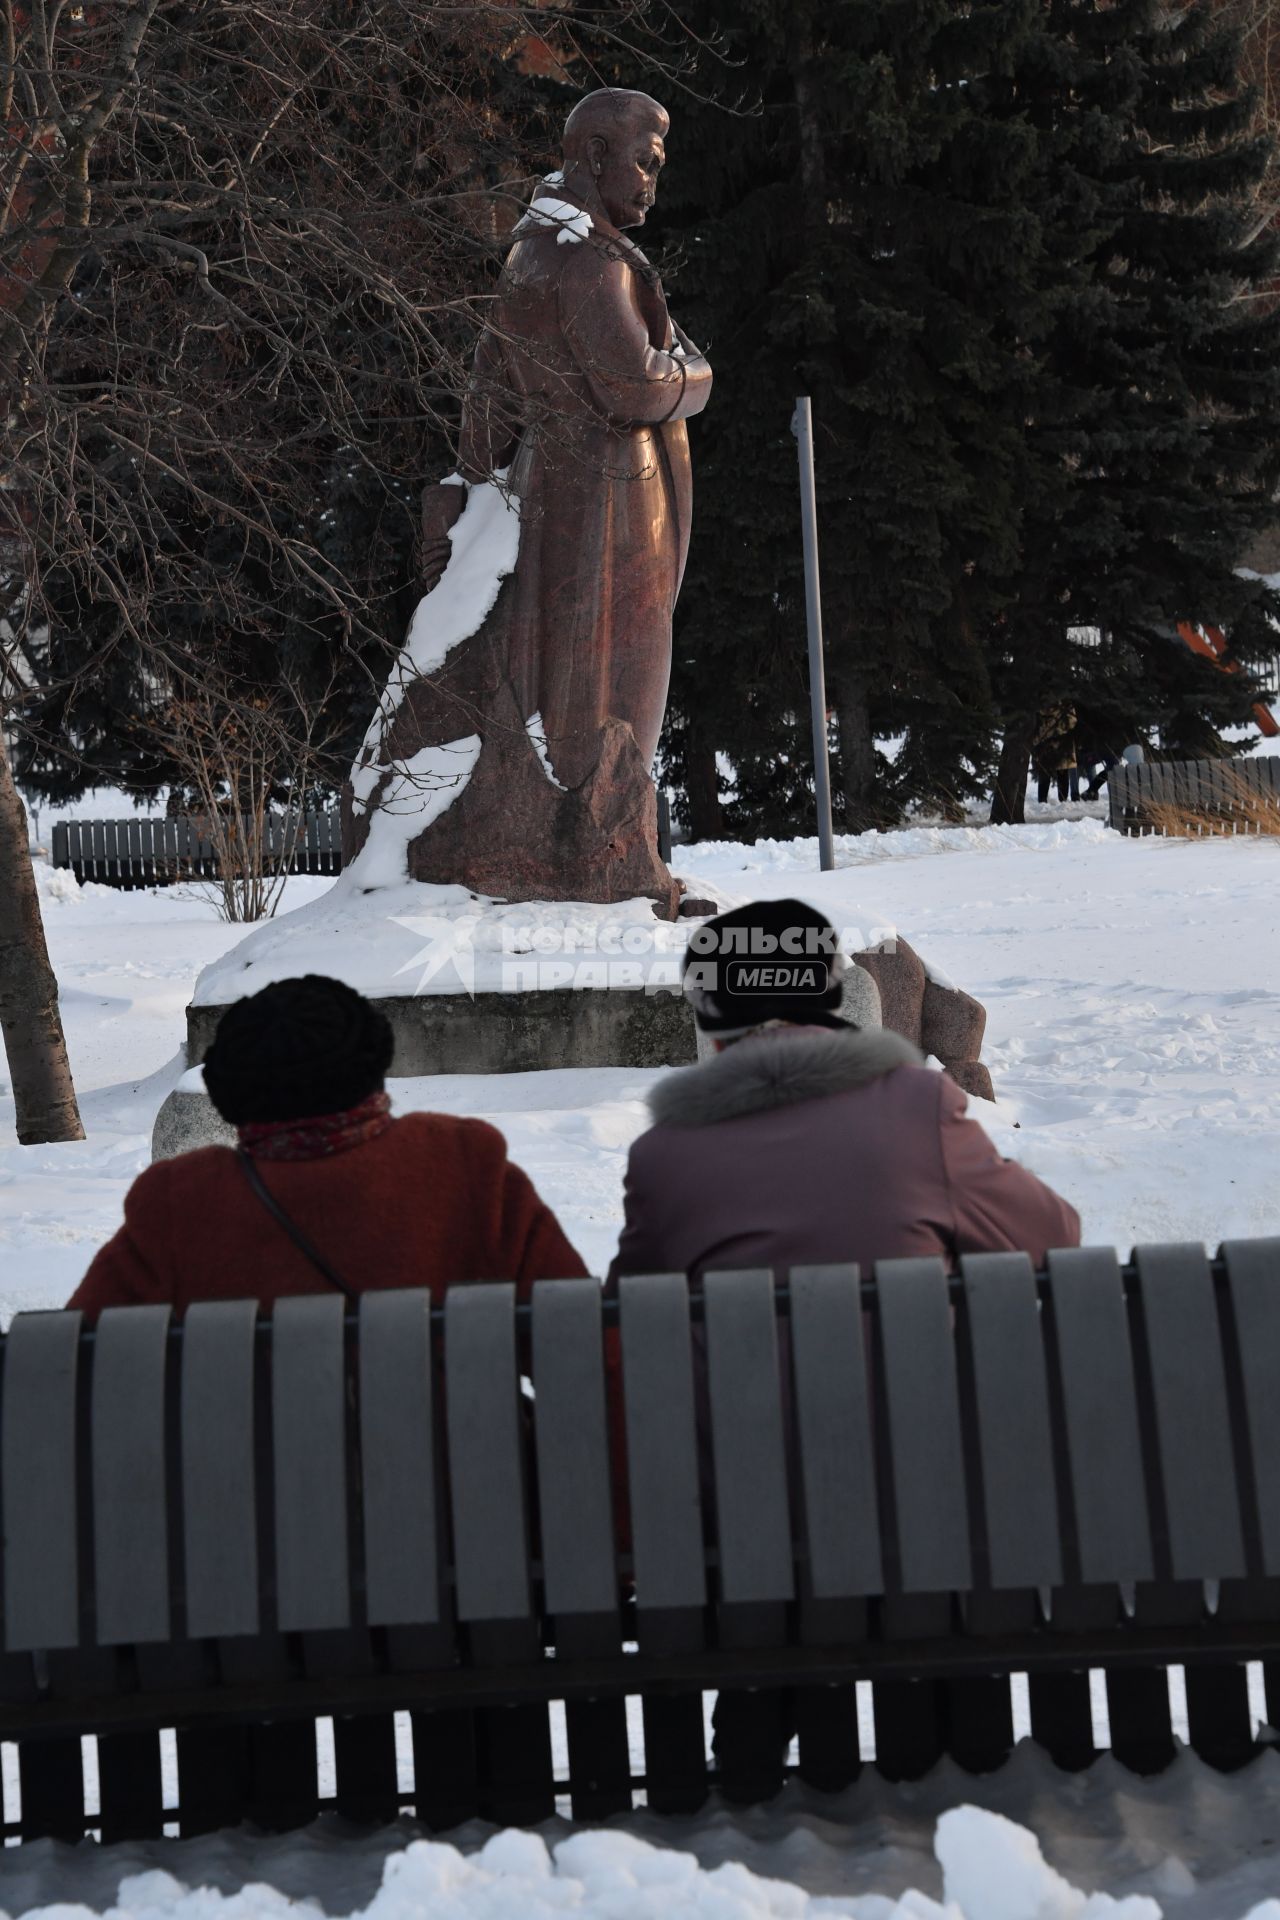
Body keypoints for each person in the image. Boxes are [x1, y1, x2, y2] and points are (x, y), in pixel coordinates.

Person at [610, 900, 1081, 1288]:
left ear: (712, 1036)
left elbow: (629, 1320)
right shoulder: (918, 1110)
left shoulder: (665, 1156)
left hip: (741, 1400)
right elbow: (1052, 1236)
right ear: (835, 1004)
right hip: (911, 1396)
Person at [68, 975, 587, 1317]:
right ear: (374, 1063)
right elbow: (585, 1346)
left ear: (230, 1091)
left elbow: (72, 1370)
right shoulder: (462, 1168)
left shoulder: (181, 1204)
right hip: (459, 1479)